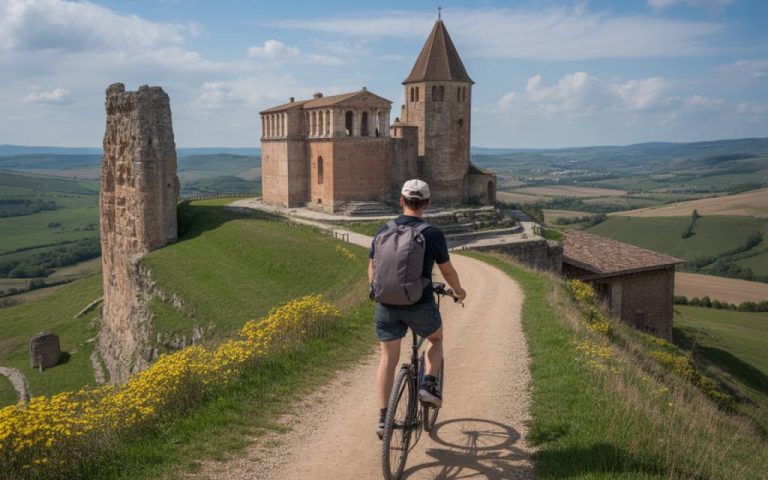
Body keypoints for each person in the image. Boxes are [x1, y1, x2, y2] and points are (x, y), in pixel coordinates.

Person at [369, 179, 467, 438]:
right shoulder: (432, 234)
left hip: (386, 304)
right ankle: (428, 384)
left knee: (387, 359)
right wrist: (459, 291)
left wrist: (376, 290)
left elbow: (373, 266)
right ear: (427, 203)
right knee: (436, 339)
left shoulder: (383, 230)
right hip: (418, 304)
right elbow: (447, 271)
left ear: (401, 201)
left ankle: (383, 418)